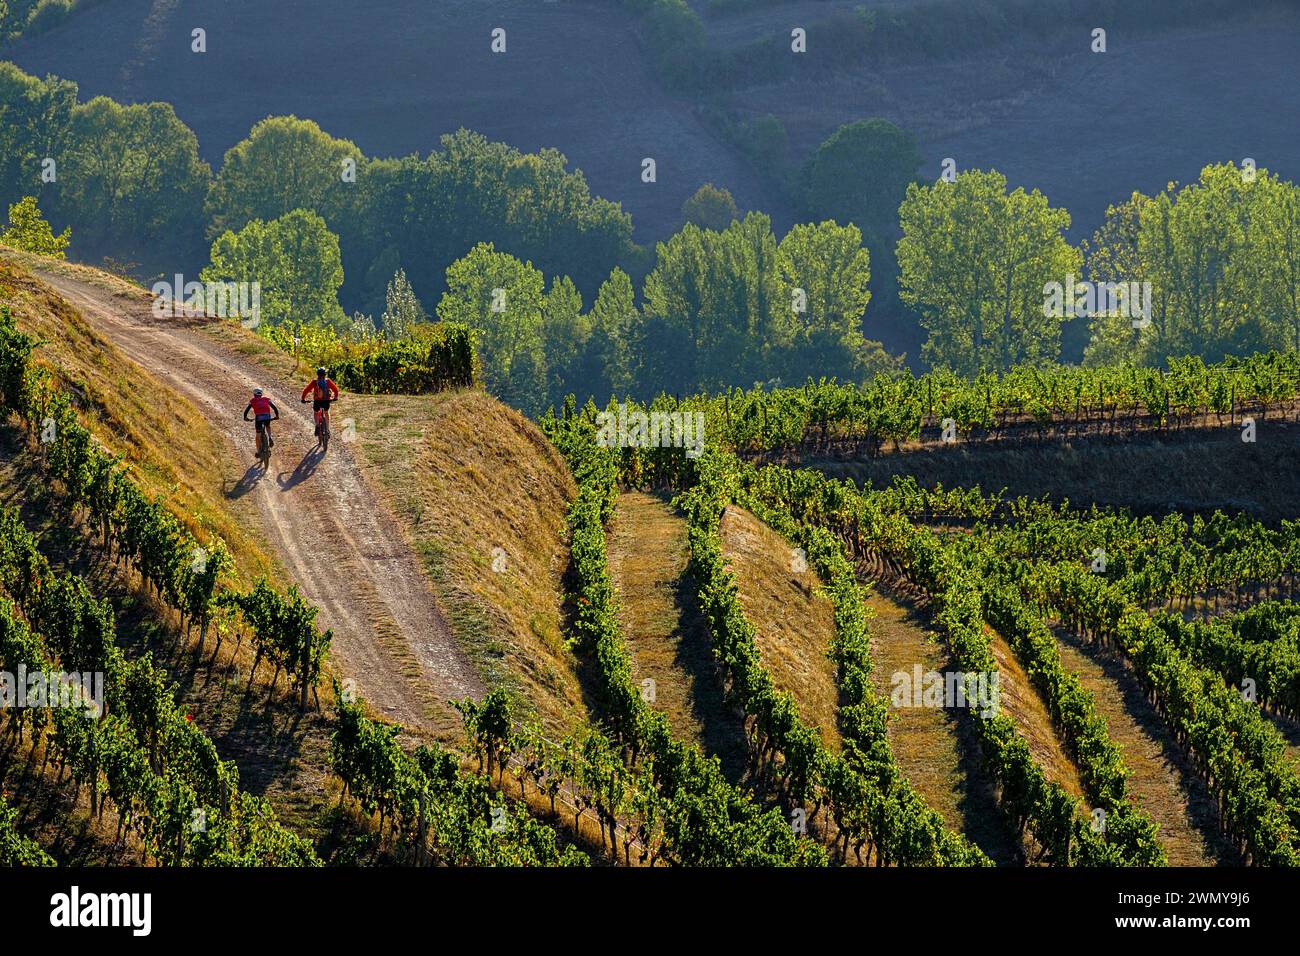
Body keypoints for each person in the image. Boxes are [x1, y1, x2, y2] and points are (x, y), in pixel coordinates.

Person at [301, 366, 340, 436]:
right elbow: (335, 390)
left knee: (316, 412)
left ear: (317, 374)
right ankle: (328, 430)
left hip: (317, 401)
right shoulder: (328, 381)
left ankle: (317, 425)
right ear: (325, 374)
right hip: (326, 401)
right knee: (326, 413)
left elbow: (306, 390)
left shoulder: (314, 382)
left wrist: (303, 399)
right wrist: (335, 397)